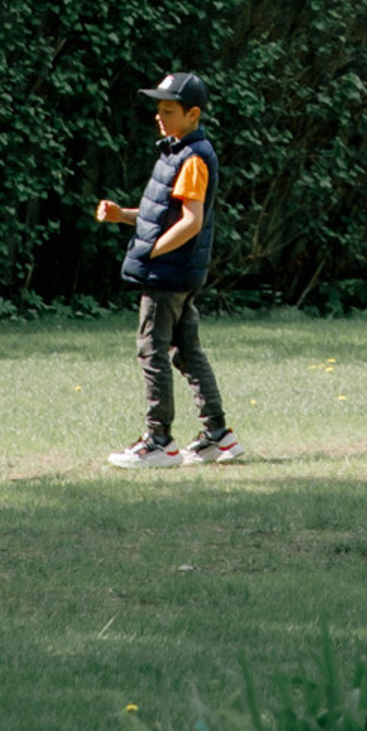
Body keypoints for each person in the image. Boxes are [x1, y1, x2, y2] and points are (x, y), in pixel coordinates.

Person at [94, 71, 242, 468]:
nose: (159, 116)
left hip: (168, 275)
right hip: (178, 272)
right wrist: (121, 215)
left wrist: (156, 252)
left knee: (151, 350)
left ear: (193, 114)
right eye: (158, 108)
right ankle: (218, 437)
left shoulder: (193, 158)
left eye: (169, 109)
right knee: (187, 351)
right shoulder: (177, 151)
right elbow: (163, 214)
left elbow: (191, 221)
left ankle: (159, 442)